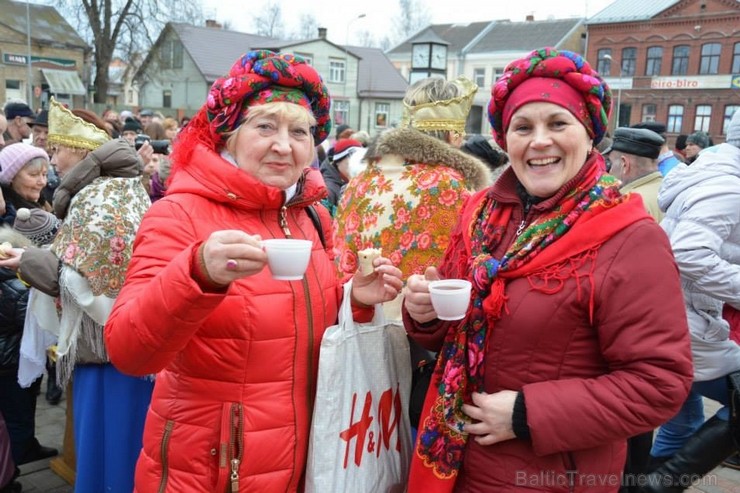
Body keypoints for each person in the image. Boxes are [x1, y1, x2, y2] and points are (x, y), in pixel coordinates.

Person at [103, 49, 403, 492]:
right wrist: (197, 273)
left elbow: (299, 326)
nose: (284, 145)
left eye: (299, 131)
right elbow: (129, 352)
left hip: (305, 458)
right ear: (229, 136)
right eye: (265, 126)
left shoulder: (312, 216)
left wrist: (355, 298)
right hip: (214, 467)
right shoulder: (178, 215)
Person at [402, 47, 693, 493]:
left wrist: (527, 414)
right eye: (523, 127)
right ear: (505, 139)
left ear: (590, 134)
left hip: (547, 476)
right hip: (452, 459)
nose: (539, 141)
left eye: (558, 124)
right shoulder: (479, 212)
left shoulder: (629, 236)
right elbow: (453, 328)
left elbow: (659, 384)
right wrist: (425, 314)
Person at [0, 97, 153, 493]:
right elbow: (90, 255)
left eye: (56, 150)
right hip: (125, 345)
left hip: (107, 350)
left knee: (109, 450)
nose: (52, 161)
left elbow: (88, 280)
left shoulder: (98, 196)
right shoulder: (119, 187)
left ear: (78, 149)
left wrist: (28, 262)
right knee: (120, 446)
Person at [333, 75, 491, 441]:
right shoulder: (459, 187)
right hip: (423, 344)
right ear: (454, 135)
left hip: (354, 330)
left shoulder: (360, 181)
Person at [640, 108, 740, 492]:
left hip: (676, 314)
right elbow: (690, 252)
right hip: (683, 320)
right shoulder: (729, 187)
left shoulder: (714, 172)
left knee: (680, 418)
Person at [604, 127, 666, 221]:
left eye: (611, 163)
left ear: (624, 164)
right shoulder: (667, 189)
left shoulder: (628, 201)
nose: (609, 170)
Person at [0, 143, 52, 227]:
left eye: (44, 174)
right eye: (33, 174)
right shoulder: (8, 218)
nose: (42, 182)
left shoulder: (44, 204)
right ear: (11, 178)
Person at [319, 137, 363, 215]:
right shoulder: (328, 189)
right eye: (352, 160)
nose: (357, 165)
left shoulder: (355, 180)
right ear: (338, 161)